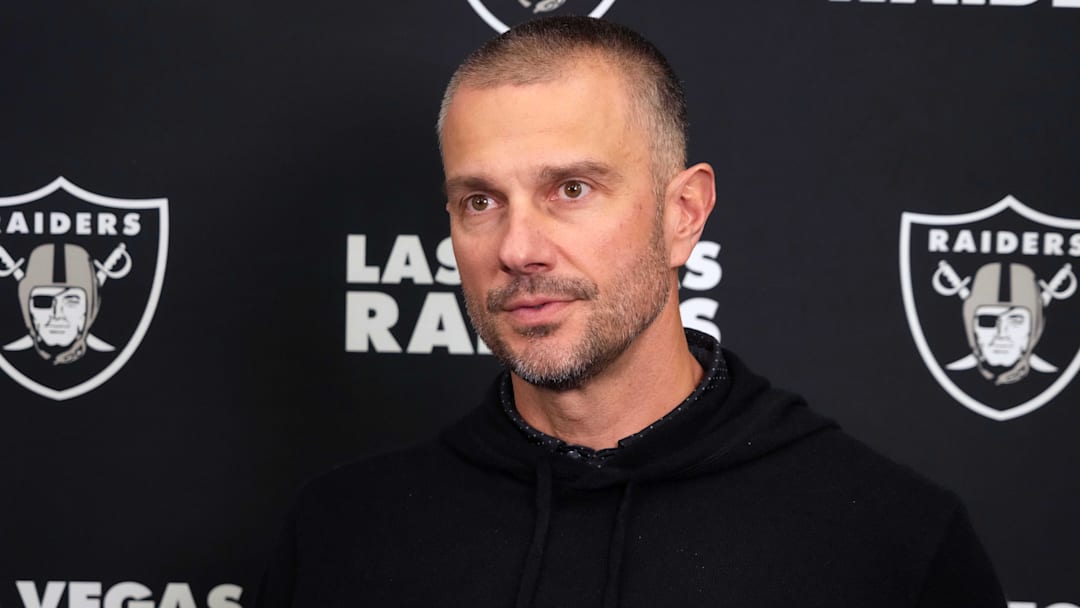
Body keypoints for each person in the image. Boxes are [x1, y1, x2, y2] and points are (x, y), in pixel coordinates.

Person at [258, 16, 1005, 607]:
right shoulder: (340, 535)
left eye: (571, 190)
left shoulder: (891, 541)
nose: (519, 248)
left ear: (684, 213)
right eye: (479, 201)